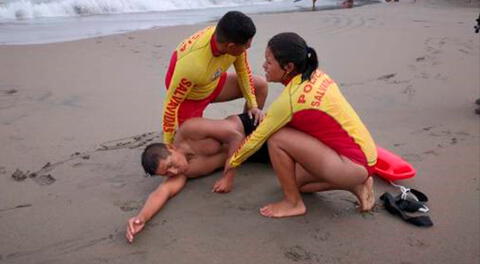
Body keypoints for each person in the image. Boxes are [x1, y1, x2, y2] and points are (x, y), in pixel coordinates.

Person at [224, 32, 377, 218]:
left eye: (269, 62)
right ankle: (358, 185)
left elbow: (256, 139)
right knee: (295, 182)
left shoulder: (290, 100)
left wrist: (231, 164)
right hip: (366, 157)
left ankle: (293, 203)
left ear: (288, 67)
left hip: (352, 163)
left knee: (276, 138)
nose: (264, 66)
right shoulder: (317, 75)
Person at [126, 114, 269, 243]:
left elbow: (236, 136)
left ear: (171, 148)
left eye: (171, 164)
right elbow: (162, 192)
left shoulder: (190, 130)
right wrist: (141, 218)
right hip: (257, 154)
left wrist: (228, 176)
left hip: (255, 128)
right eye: (167, 173)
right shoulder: (182, 172)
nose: (174, 171)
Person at [162, 11, 268, 144]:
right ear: (231, 46)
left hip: (212, 81)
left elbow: (243, 72)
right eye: (246, 45)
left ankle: (246, 136)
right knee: (205, 147)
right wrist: (169, 145)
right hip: (189, 97)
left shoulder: (230, 39)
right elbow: (171, 105)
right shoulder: (192, 64)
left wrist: (253, 106)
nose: (249, 47)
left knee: (260, 86)